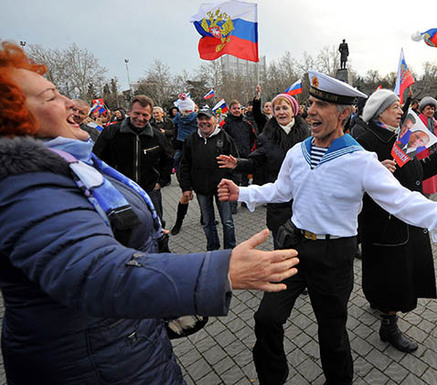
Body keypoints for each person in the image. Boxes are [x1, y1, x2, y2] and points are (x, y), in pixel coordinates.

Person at [0, 41, 300, 384]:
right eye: (52, 96)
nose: (71, 103)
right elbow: (98, 274)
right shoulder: (28, 186)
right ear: (11, 116)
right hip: (91, 364)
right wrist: (219, 270)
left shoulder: (63, 166)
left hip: (121, 345)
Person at [217, 70, 437, 385]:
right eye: (311, 103)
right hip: (293, 248)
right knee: (266, 319)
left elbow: (400, 200)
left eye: (320, 105)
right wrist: (243, 193)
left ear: (344, 114)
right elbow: (282, 190)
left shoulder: (361, 160)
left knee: (331, 335)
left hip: (334, 256)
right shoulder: (297, 153)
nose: (311, 111)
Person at [355, 89, 437, 353]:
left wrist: (435, 160)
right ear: (378, 111)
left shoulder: (399, 136)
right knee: (391, 272)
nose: (401, 111)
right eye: (394, 107)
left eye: (400, 106)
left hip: (406, 215)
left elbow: (411, 173)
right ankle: (389, 327)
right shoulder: (364, 138)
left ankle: (380, 305)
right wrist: (372, 173)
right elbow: (350, 178)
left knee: (392, 270)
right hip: (383, 219)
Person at [217, 93, 310, 248]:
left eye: (285, 108)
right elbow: (256, 161)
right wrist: (237, 164)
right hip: (278, 199)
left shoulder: (307, 134)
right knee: (281, 246)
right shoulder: (266, 136)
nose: (281, 112)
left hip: (304, 197)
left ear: (293, 111)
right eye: (277, 108)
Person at [93, 95, 173, 227]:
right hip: (120, 192)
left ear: (150, 115)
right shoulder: (112, 132)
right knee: (124, 229)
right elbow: (97, 159)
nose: (140, 118)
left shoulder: (157, 135)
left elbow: (168, 159)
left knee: (156, 226)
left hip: (150, 191)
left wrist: (160, 182)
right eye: (137, 113)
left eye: (145, 115)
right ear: (129, 112)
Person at [179, 109, 238, 251]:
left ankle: (230, 250)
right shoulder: (190, 140)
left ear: (215, 120)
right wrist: (186, 187)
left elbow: (235, 163)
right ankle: (212, 249)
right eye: (201, 119)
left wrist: (232, 185)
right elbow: (184, 165)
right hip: (201, 189)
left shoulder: (225, 138)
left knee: (227, 222)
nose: (204, 122)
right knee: (207, 222)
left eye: (207, 119)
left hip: (222, 189)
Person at [169, 96, 199, 234]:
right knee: (186, 195)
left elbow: (173, 120)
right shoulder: (193, 116)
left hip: (196, 159)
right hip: (185, 161)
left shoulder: (184, 118)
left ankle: (205, 218)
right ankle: (178, 222)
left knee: (203, 194)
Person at [417, 96, 437, 196]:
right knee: (420, 189)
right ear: (422, 110)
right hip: (421, 158)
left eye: (432, 109)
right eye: (428, 108)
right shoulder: (417, 123)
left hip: (433, 157)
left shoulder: (435, 123)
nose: (430, 111)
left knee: (428, 191)